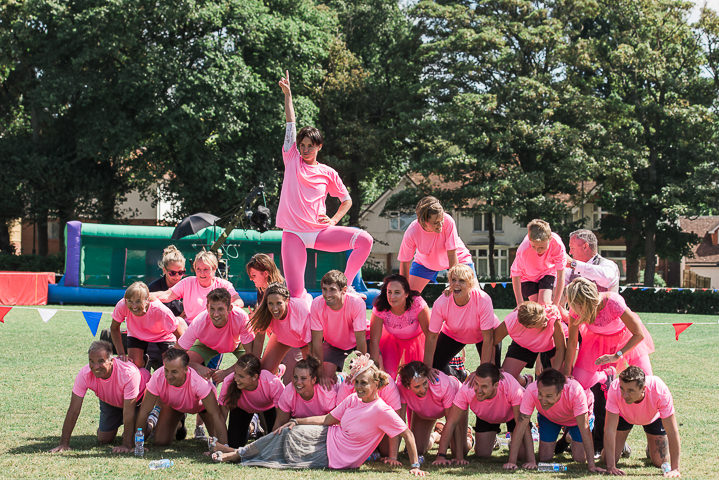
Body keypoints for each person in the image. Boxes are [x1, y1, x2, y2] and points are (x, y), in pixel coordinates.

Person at [211, 353, 427, 477]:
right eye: (357, 383)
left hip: (334, 456)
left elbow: (407, 434)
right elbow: (327, 420)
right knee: (286, 433)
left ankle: (235, 453)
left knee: (286, 453)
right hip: (325, 437)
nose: (359, 387)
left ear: (376, 385)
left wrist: (415, 466)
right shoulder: (353, 400)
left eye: (364, 383)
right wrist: (297, 421)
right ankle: (235, 452)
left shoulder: (381, 410)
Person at [276, 70, 373, 298]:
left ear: (319, 147)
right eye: (303, 145)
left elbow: (346, 201)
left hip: (320, 232)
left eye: (311, 145)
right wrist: (288, 96)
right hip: (294, 234)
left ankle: (345, 288)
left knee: (365, 240)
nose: (305, 149)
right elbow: (290, 123)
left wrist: (334, 219)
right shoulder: (291, 159)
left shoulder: (327, 172)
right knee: (296, 293)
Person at [50, 341, 149, 454]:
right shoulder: (84, 373)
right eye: (91, 361)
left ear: (112, 361)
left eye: (101, 361)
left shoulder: (128, 373)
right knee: (104, 439)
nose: (95, 366)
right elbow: (73, 410)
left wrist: (126, 444)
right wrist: (64, 443)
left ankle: (152, 420)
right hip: (111, 401)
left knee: (140, 435)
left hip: (137, 400)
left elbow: (128, 412)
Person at [504, 368, 604, 473]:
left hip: (576, 419)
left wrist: (592, 465)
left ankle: (569, 436)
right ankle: (567, 438)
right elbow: (521, 425)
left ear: (561, 392)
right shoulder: (531, 389)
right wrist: (512, 461)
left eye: (549, 396)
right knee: (545, 458)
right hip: (549, 418)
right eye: (540, 394)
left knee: (580, 459)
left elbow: (585, 429)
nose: (543, 400)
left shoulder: (575, 391)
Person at [564, 277, 655, 390]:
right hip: (595, 342)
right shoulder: (575, 310)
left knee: (646, 380)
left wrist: (618, 355)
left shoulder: (613, 302)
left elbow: (639, 334)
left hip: (626, 339)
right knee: (579, 382)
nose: (579, 310)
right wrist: (566, 371)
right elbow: (572, 342)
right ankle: (604, 376)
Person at [435, 363, 531, 466]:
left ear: (496, 385)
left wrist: (518, 461)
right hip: (486, 416)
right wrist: (442, 456)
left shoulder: (511, 386)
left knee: (522, 455)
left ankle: (513, 443)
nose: (479, 390)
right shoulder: (468, 389)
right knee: (482, 454)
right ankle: (495, 440)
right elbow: (451, 422)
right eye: (477, 384)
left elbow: (522, 424)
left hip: (512, 415)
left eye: (484, 386)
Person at [134, 348, 227, 446]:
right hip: (173, 406)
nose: (169, 376)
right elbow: (144, 411)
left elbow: (216, 415)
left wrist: (224, 447)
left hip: (203, 407)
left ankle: (179, 423)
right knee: (160, 442)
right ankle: (178, 424)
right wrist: (136, 443)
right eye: (166, 370)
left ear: (186, 369)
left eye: (174, 372)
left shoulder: (199, 383)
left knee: (217, 441)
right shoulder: (158, 376)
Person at [604, 366, 681, 477]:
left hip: (653, 417)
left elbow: (672, 431)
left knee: (660, 461)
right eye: (622, 389)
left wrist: (675, 469)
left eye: (630, 390)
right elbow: (609, 430)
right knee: (607, 458)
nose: (624, 395)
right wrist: (611, 466)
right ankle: (623, 446)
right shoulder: (615, 387)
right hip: (624, 416)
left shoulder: (659, 389)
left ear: (643, 389)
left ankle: (651, 446)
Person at [424, 264, 500, 377]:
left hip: (483, 335)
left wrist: (482, 371)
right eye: (453, 280)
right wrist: (428, 368)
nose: (456, 284)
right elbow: (432, 336)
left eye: (461, 281)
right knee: (435, 368)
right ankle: (461, 375)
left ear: (470, 284)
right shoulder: (441, 303)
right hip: (454, 333)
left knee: (491, 373)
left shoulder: (483, 299)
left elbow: (488, 338)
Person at [176, 288, 258, 383]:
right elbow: (176, 353)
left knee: (252, 367)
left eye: (220, 309)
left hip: (237, 344)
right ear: (207, 307)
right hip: (206, 345)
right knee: (181, 367)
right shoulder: (199, 322)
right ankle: (196, 394)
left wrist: (226, 372)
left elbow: (251, 356)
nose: (215, 314)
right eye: (212, 309)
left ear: (230, 308)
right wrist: (195, 366)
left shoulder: (241, 317)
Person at [245, 252, 303, 384]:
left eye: (253, 275)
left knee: (292, 381)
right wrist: (254, 361)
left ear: (265, 273)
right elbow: (260, 333)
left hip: (296, 336)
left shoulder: (283, 290)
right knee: (264, 373)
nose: (251, 279)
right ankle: (278, 371)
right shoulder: (261, 290)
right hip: (278, 337)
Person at [397, 196, 474, 293]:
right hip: (425, 263)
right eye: (436, 223)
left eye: (441, 220)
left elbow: (451, 254)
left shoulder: (448, 221)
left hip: (458, 259)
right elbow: (404, 262)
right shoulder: (412, 232)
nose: (441, 225)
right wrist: (403, 290)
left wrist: (453, 284)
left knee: (473, 294)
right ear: (424, 222)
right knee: (408, 297)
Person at [150, 250, 243, 324]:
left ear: (214, 269)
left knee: (240, 316)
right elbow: (166, 295)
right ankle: (186, 346)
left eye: (206, 269)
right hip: (190, 328)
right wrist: (143, 295)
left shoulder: (223, 285)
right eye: (198, 269)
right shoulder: (187, 282)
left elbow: (239, 301)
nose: (202, 273)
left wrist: (226, 309)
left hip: (215, 326)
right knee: (179, 322)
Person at [310, 270, 368, 385]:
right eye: (324, 289)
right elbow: (316, 342)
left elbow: (361, 341)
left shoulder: (356, 303)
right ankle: (341, 378)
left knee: (369, 372)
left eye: (332, 289)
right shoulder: (317, 304)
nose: (327, 294)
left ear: (344, 290)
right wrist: (320, 371)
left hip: (359, 340)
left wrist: (359, 369)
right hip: (334, 343)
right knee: (325, 378)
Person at [109, 282, 185, 371]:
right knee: (134, 364)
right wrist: (121, 354)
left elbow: (177, 331)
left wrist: (183, 353)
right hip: (136, 335)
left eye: (138, 301)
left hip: (163, 336)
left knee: (171, 364)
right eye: (130, 301)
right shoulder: (122, 305)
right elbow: (114, 328)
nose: (134, 306)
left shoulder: (160, 310)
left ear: (147, 300)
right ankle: (144, 361)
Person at [397, 361, 465, 456]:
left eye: (425, 383)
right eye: (417, 387)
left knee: (462, 449)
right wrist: (393, 456)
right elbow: (400, 420)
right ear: (408, 386)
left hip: (454, 404)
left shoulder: (441, 384)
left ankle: (469, 437)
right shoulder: (401, 386)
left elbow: (451, 422)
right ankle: (437, 435)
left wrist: (441, 455)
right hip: (425, 411)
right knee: (417, 450)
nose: (423, 389)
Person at [369, 274, 430, 379]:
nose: (392, 297)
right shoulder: (380, 305)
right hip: (391, 341)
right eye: (389, 292)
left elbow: (430, 335)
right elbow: (374, 340)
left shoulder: (417, 303)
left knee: (415, 377)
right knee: (387, 376)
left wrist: (429, 364)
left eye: (397, 292)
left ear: (406, 294)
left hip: (417, 342)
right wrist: (375, 367)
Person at [493, 301, 567, 387]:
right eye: (541, 321)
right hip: (523, 343)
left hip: (551, 345)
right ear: (529, 327)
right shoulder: (512, 320)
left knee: (560, 379)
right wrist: (494, 368)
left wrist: (555, 372)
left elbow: (561, 348)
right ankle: (526, 381)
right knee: (505, 380)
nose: (546, 319)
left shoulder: (551, 315)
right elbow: (493, 341)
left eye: (543, 315)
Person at [219, 354, 285, 448]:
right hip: (243, 408)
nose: (236, 379)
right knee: (234, 444)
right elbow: (221, 416)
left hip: (269, 407)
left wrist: (273, 440)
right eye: (235, 374)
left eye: (241, 376)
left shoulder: (272, 382)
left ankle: (279, 370)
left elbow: (283, 415)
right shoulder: (229, 382)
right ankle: (253, 425)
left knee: (274, 441)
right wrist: (221, 444)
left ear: (254, 377)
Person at [248, 283, 312, 374]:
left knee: (311, 372)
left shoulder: (300, 309)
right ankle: (278, 372)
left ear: (287, 300)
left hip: (305, 340)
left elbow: (309, 342)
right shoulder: (265, 312)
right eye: (271, 303)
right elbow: (259, 340)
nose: (275, 308)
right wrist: (254, 365)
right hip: (282, 338)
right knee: (264, 371)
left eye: (279, 303)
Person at [510, 219, 567, 307]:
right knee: (536, 307)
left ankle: (558, 317)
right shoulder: (523, 250)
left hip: (546, 272)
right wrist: (519, 303)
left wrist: (555, 304)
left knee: (544, 304)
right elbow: (515, 274)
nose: (537, 250)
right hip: (527, 277)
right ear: (529, 240)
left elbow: (561, 275)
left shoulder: (558, 245)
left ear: (549, 239)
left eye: (541, 247)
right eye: (533, 246)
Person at [273, 356, 337, 431]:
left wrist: (299, 422)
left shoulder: (326, 394)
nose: (298, 382)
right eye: (295, 377)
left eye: (303, 378)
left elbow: (333, 422)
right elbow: (280, 424)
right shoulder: (289, 391)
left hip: (322, 427)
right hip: (299, 426)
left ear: (313, 380)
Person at [148, 245, 187, 317]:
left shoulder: (188, 286)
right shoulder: (154, 288)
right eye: (172, 273)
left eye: (181, 272)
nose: (177, 276)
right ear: (164, 270)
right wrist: (179, 318)